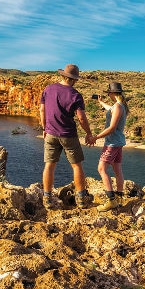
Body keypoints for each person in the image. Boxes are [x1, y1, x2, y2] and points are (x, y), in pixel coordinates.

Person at [39, 64, 95, 209]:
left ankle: (47, 198)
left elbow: (42, 110)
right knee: (76, 166)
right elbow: (81, 118)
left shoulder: (48, 89)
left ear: (62, 75)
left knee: (49, 165)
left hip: (50, 133)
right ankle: (81, 199)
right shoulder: (75, 95)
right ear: (75, 79)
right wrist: (88, 133)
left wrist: (44, 127)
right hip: (68, 134)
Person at [92, 82, 129, 212]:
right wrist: (101, 102)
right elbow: (111, 109)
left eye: (109, 92)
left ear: (113, 93)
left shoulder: (118, 106)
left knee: (101, 169)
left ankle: (111, 201)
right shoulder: (119, 106)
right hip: (118, 143)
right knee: (117, 169)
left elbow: (112, 128)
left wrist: (95, 137)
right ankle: (119, 198)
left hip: (112, 143)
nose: (108, 94)